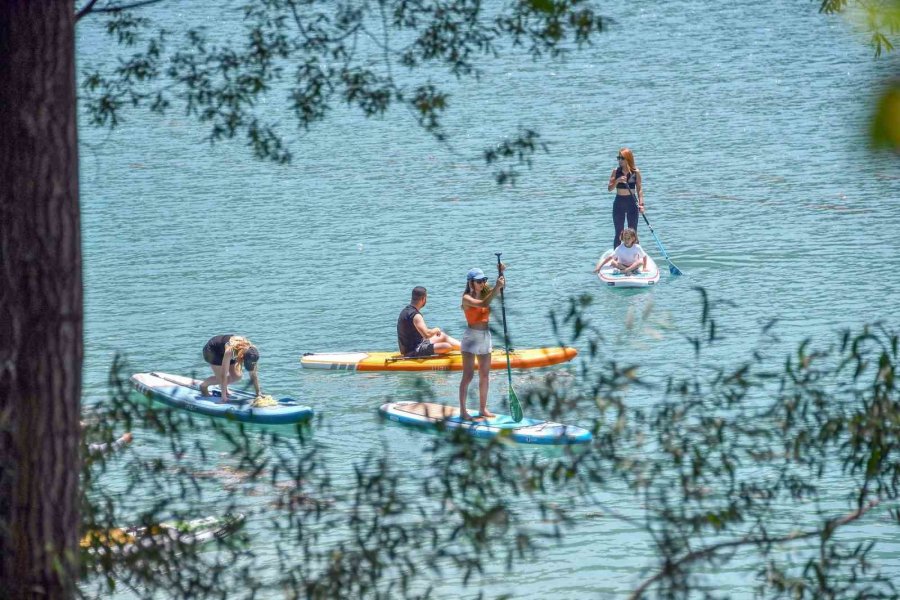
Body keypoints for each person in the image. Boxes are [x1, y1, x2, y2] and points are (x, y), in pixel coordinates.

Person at [458, 266, 505, 421]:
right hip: (471, 338)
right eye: (479, 281)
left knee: (484, 375)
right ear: (471, 282)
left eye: (484, 280)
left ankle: (482, 409)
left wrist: (501, 273)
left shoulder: (486, 292)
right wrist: (496, 287)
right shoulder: (466, 298)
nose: (482, 283)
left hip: (486, 336)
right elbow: (483, 304)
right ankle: (463, 412)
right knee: (468, 375)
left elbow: (501, 287)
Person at [397, 286, 461, 357]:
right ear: (423, 299)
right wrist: (436, 329)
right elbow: (426, 334)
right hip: (413, 351)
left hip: (415, 345)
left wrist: (435, 332)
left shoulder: (405, 311)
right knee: (447, 346)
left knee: (442, 336)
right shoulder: (416, 315)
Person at [199, 335, 261, 403]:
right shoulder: (231, 350)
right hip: (212, 351)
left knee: (237, 376)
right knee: (220, 378)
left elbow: (253, 374)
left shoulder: (253, 352)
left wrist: (258, 393)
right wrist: (223, 397)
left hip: (228, 351)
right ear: (242, 356)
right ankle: (203, 386)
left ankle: (225, 389)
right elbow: (223, 375)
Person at [607, 147, 645, 248]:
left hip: (632, 203)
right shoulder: (616, 171)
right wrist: (617, 181)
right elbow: (610, 188)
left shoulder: (636, 172)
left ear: (628, 159)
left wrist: (641, 204)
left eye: (622, 158)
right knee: (619, 231)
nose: (619, 160)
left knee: (633, 231)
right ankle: (617, 255)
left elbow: (639, 189)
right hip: (619, 203)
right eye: (618, 158)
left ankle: (635, 254)